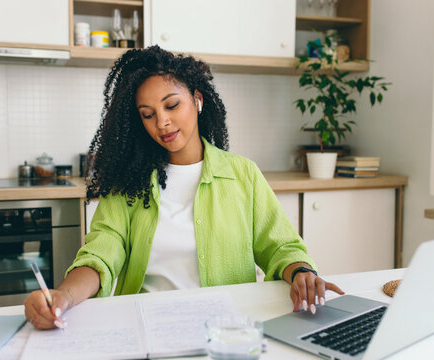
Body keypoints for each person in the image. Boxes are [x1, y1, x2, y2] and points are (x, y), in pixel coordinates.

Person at [24, 46, 344, 330]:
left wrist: (301, 272)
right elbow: (99, 257)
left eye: (172, 106)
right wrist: (63, 295)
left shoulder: (242, 174)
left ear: (197, 99)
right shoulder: (128, 185)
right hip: (145, 327)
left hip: (226, 328)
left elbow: (280, 247)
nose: (161, 122)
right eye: (147, 115)